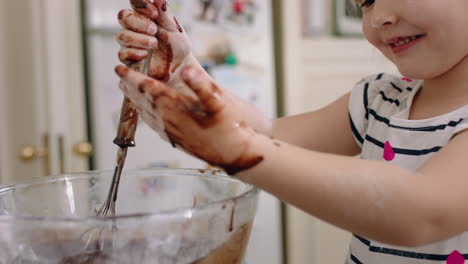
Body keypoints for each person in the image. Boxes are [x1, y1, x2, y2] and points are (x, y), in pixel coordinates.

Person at [115, 0, 468, 263]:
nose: (379, 17)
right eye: (365, 2)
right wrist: (184, 75)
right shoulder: (379, 98)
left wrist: (238, 150)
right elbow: (269, 133)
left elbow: (421, 213)